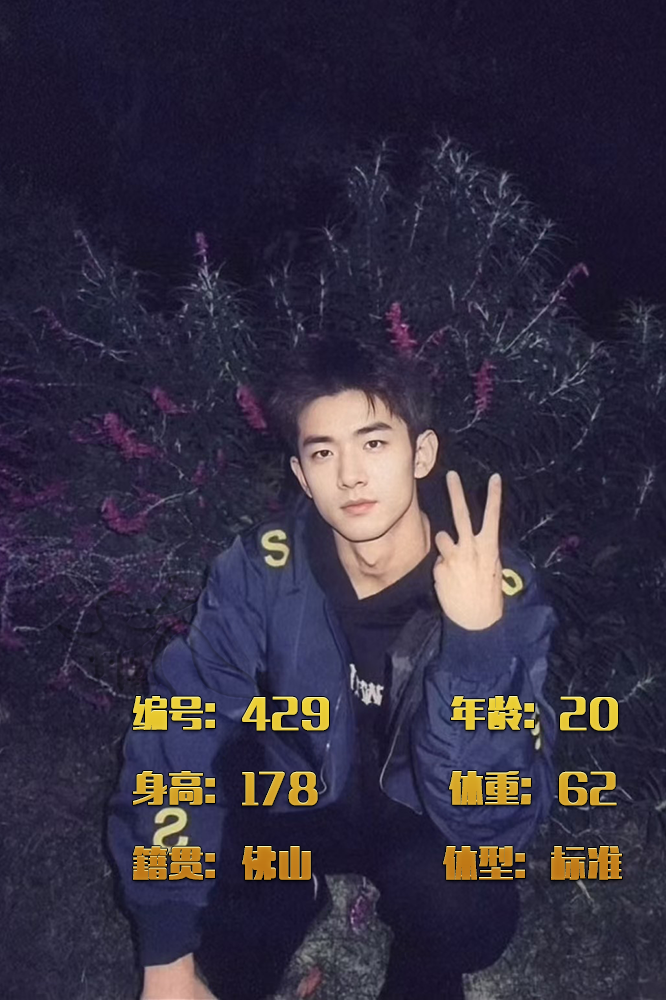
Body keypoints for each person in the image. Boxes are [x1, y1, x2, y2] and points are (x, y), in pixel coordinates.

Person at [107, 337, 558, 1000]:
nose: (349, 476)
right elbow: (175, 730)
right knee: (220, 930)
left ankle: (420, 962)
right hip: (299, 804)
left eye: (374, 443)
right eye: (323, 452)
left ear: (421, 454)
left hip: (421, 824)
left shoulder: (498, 587)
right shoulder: (261, 570)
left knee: (464, 909)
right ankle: (290, 894)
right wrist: (167, 953)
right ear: (301, 473)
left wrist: (475, 643)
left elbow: (495, 820)